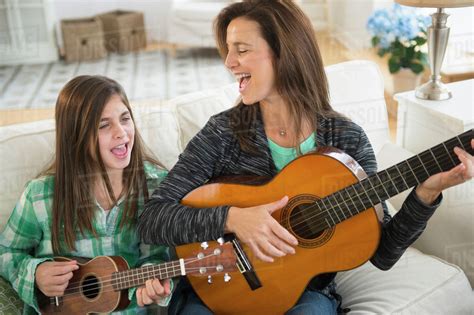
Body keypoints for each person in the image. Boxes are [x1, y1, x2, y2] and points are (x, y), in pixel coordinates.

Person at [138, 1, 474, 314]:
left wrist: (426, 193)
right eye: (228, 50)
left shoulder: (345, 138)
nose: (228, 62)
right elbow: (152, 219)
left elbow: (383, 254)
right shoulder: (223, 132)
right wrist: (233, 219)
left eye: (241, 50)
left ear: (285, 54)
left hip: (306, 296)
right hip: (217, 288)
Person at [0, 75, 173, 314]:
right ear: (76, 137)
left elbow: (156, 257)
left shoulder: (155, 187)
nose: (121, 133)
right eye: (104, 125)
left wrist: (151, 285)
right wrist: (35, 272)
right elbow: (7, 251)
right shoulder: (40, 195)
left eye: (125, 119)